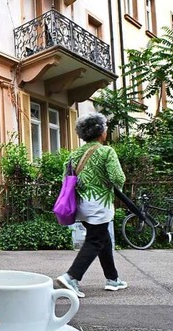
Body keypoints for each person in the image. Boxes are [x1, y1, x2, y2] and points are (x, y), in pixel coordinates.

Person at [56, 112, 127, 298]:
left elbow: (66, 179)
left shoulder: (74, 154)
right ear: (101, 132)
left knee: (103, 239)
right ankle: (71, 277)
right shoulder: (106, 151)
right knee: (96, 240)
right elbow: (118, 178)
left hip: (80, 205)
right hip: (99, 205)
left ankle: (113, 279)